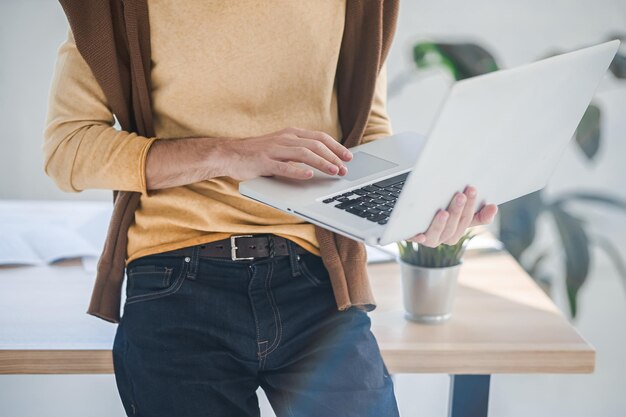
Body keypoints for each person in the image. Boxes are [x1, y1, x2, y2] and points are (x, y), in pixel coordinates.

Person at [44, 2, 497, 416]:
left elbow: (364, 126)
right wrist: (229, 153)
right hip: (175, 275)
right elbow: (68, 148)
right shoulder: (110, 8)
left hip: (317, 275)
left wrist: (408, 208)